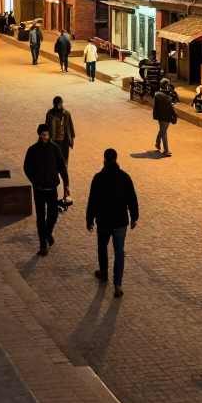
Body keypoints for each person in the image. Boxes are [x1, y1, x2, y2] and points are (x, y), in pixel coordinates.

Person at [86, 148, 139, 299]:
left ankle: (103, 272)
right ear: (116, 160)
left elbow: (93, 201)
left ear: (104, 160)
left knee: (102, 247)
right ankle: (118, 285)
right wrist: (134, 217)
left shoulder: (99, 178)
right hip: (120, 222)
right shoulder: (124, 177)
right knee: (119, 253)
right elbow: (132, 199)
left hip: (103, 222)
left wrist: (89, 219)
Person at [23, 124, 69, 256]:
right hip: (39, 189)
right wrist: (34, 180)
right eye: (43, 135)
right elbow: (27, 168)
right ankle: (43, 244)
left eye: (47, 135)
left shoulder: (55, 149)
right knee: (40, 217)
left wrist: (66, 184)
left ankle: (47, 233)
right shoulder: (32, 150)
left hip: (51, 188)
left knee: (53, 215)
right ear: (39, 135)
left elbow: (62, 167)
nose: (45, 137)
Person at [44, 96, 75, 166]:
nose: (60, 105)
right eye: (59, 103)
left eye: (61, 103)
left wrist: (72, 138)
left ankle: (64, 170)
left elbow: (70, 125)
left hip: (64, 141)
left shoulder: (66, 114)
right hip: (54, 141)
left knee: (64, 160)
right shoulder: (49, 114)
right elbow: (46, 127)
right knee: (54, 159)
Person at [153, 78, 177, 155]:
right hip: (165, 116)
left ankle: (157, 142)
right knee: (163, 132)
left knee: (162, 131)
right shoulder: (165, 95)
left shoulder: (159, 94)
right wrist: (174, 115)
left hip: (162, 116)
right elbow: (169, 107)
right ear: (166, 85)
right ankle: (165, 150)